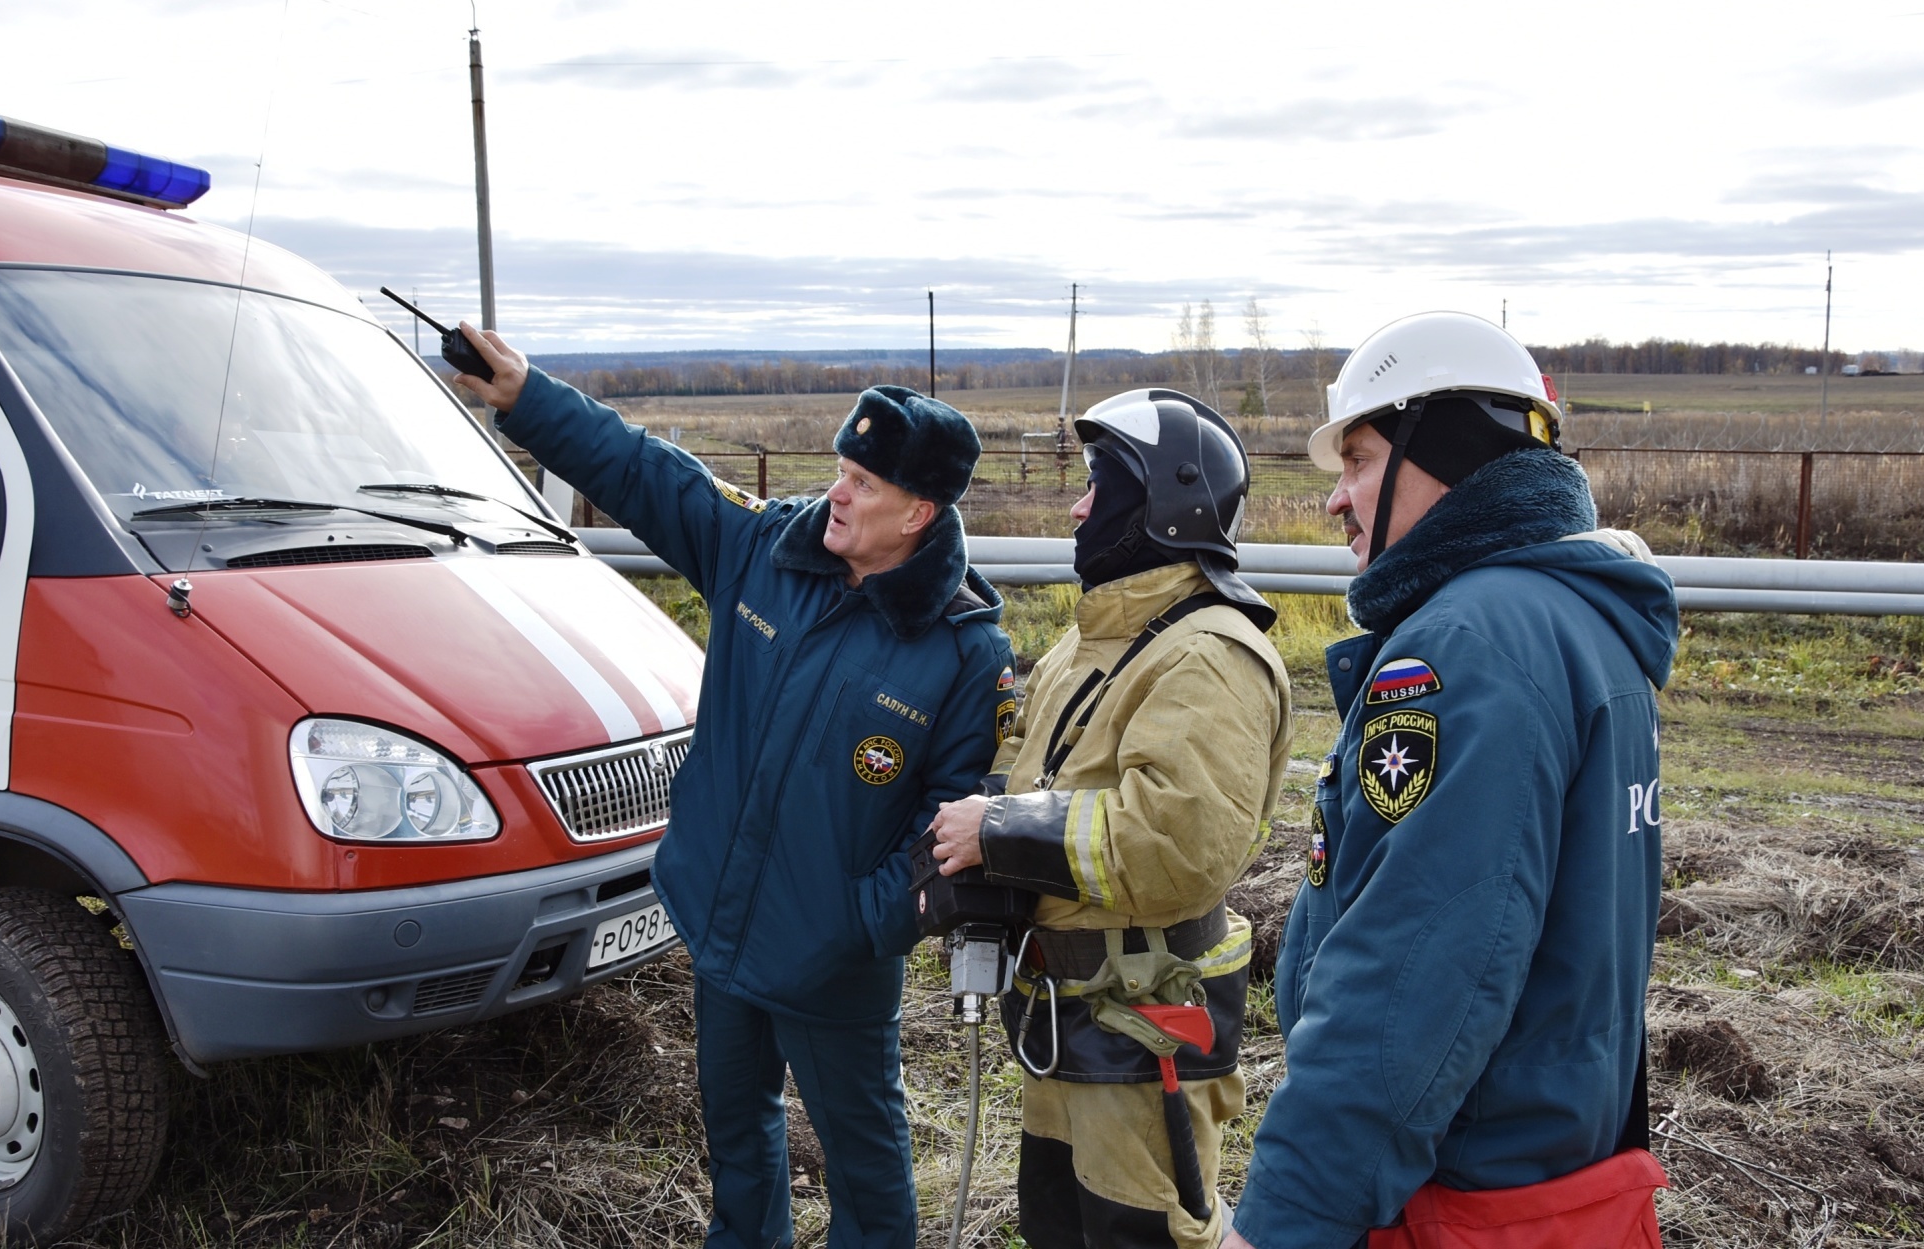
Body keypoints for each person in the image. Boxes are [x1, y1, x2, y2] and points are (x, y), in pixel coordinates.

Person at [454, 326, 1014, 1249]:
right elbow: (648, 473)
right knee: (738, 1141)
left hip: (833, 962)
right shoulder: (769, 548)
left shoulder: (963, 652)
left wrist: (858, 925)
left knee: (866, 1171)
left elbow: (950, 825)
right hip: (720, 926)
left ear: (919, 512)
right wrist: (526, 395)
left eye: (865, 483)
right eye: (842, 466)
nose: (838, 490)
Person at [1221, 312, 1678, 1249]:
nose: (1336, 500)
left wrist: (1286, 1221)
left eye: (1357, 460)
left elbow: (1406, 984)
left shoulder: (1464, 647)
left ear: (1448, 447)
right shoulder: (1582, 626)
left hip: (1459, 1202)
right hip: (1563, 1181)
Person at [929, 388, 1294, 1249]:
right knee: (1062, 1227)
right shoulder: (1102, 636)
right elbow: (1049, 773)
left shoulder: (1207, 652)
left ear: (1159, 505)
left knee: (1139, 1234)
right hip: (1071, 1017)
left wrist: (998, 829)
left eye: (1098, 483)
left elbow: (1178, 841)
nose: (1077, 504)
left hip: (1142, 1035)